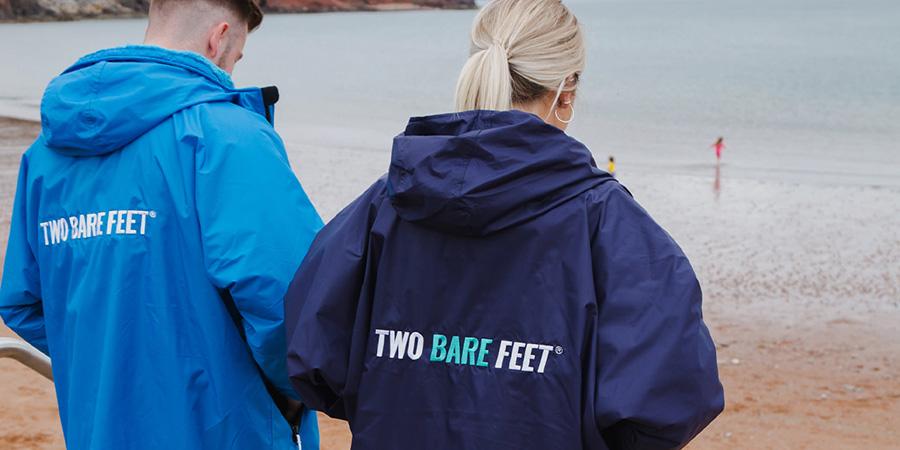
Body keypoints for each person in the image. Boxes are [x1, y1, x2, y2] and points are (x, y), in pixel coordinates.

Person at [284, 0, 724, 449]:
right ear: (565, 92)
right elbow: (667, 400)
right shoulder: (606, 221)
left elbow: (314, 354)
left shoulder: (388, 203)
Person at [0, 0, 322, 448]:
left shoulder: (44, 158)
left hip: (100, 429)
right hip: (223, 429)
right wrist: (297, 392)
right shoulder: (229, 137)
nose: (232, 70)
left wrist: (112, 362)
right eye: (237, 56)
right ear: (219, 36)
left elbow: (23, 300)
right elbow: (298, 305)